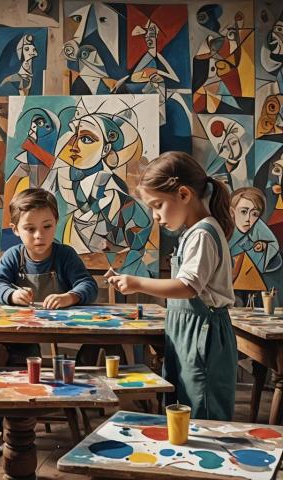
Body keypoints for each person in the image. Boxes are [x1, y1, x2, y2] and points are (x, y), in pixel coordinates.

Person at [106, 151, 237, 421]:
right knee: (181, 406)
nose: (154, 216)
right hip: (184, 333)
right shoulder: (192, 233)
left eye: (157, 205)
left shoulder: (203, 233)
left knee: (203, 409)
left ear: (184, 194)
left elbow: (188, 286)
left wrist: (136, 283)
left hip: (203, 336)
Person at [0, 188, 99, 430]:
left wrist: (70, 297)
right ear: (15, 230)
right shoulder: (13, 256)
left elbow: (88, 285)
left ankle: (25, 417)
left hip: (58, 330)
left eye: (47, 227)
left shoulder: (65, 255)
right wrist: (12, 294)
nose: (39, 235)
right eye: (29, 229)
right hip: (21, 332)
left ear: (55, 224)